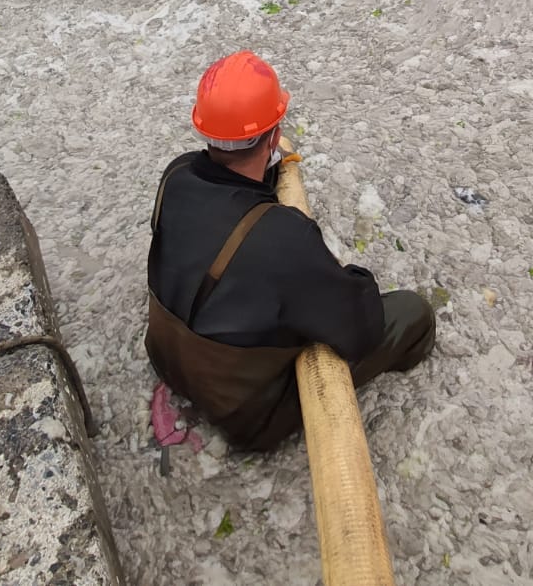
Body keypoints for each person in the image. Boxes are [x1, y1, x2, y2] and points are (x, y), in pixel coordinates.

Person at [145, 50, 435, 450]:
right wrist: (348, 277)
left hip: (164, 355)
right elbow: (360, 327)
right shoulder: (280, 235)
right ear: (274, 132)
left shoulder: (175, 174)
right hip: (244, 415)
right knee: (413, 313)